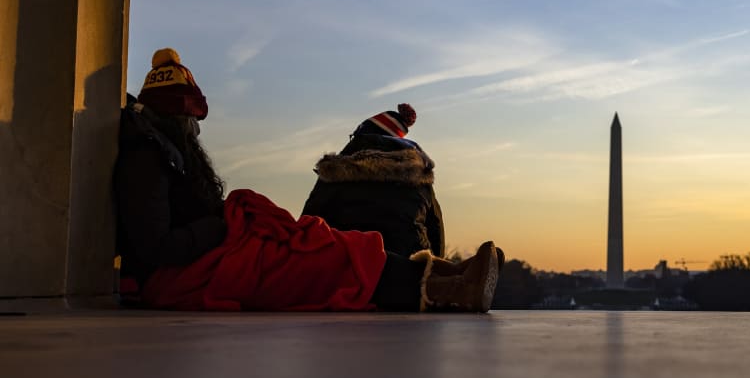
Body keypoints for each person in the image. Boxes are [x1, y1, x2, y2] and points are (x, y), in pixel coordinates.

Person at [114, 48, 499, 312]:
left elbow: (314, 210)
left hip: (217, 252)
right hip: (189, 274)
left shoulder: (162, 154)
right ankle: (448, 286)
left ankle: (455, 277)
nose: (195, 131)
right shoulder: (146, 160)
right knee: (322, 259)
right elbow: (156, 247)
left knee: (330, 242)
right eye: (191, 122)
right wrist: (221, 226)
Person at [301, 102, 503, 279]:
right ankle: (453, 276)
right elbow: (435, 227)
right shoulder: (419, 176)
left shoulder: (334, 173)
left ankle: (455, 276)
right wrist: (436, 266)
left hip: (355, 269)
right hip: (413, 264)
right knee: (417, 266)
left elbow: (308, 225)